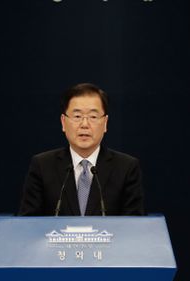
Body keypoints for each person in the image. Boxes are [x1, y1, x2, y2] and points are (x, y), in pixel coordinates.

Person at [18, 83, 145, 216]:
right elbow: (28, 224)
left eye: (93, 117)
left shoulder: (126, 167)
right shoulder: (42, 166)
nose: (84, 124)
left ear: (105, 123)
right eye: (77, 116)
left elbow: (134, 226)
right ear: (63, 122)